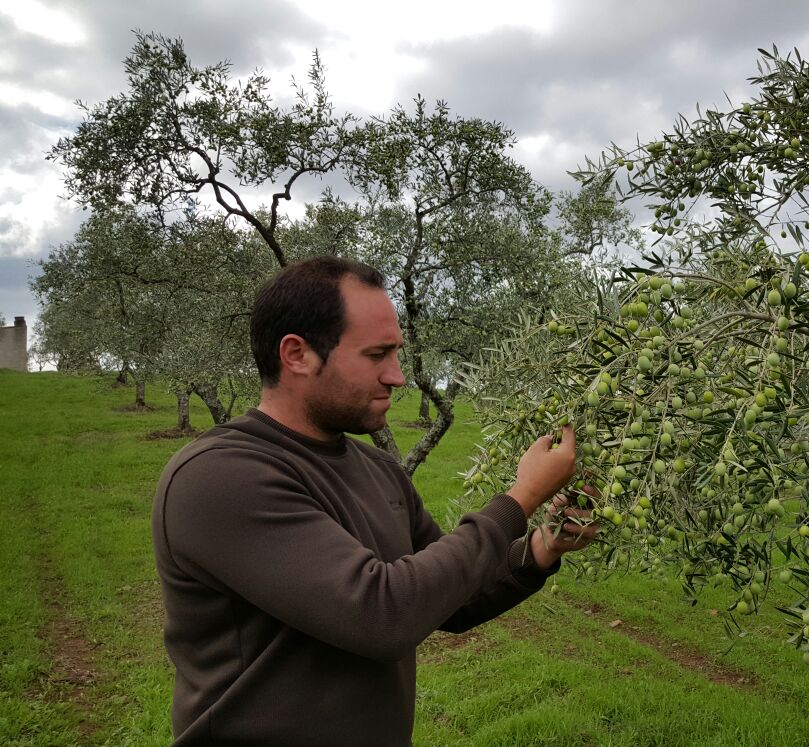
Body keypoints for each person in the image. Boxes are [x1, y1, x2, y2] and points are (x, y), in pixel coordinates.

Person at [150, 256, 597, 746]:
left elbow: (451, 597)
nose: (398, 376)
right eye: (376, 355)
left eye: (397, 354)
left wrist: (542, 547)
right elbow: (382, 615)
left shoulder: (379, 470)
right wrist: (522, 496)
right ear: (297, 354)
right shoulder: (219, 478)